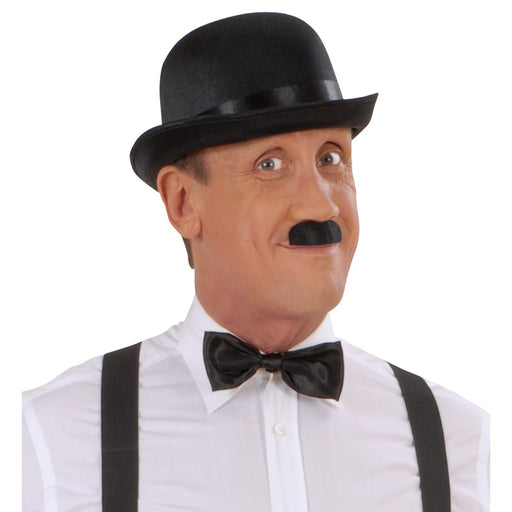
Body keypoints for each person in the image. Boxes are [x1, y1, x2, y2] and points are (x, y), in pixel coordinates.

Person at [22, 12, 489, 512]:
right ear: (183, 202)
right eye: (270, 164)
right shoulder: (54, 434)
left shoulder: (456, 438)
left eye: (331, 158)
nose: (321, 206)